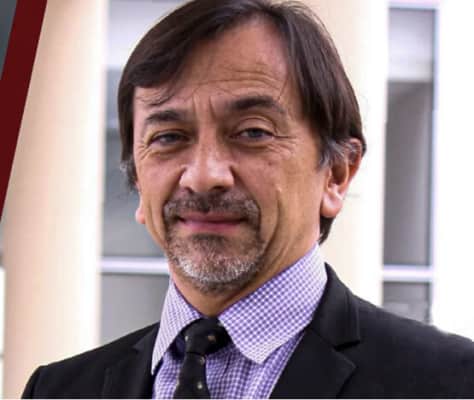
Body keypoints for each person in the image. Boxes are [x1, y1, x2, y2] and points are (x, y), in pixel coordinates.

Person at [22, 0, 474, 398]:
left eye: (252, 132)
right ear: (138, 181)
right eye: (169, 137)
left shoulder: (452, 383)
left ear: (336, 174)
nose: (204, 177)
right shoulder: (58, 391)